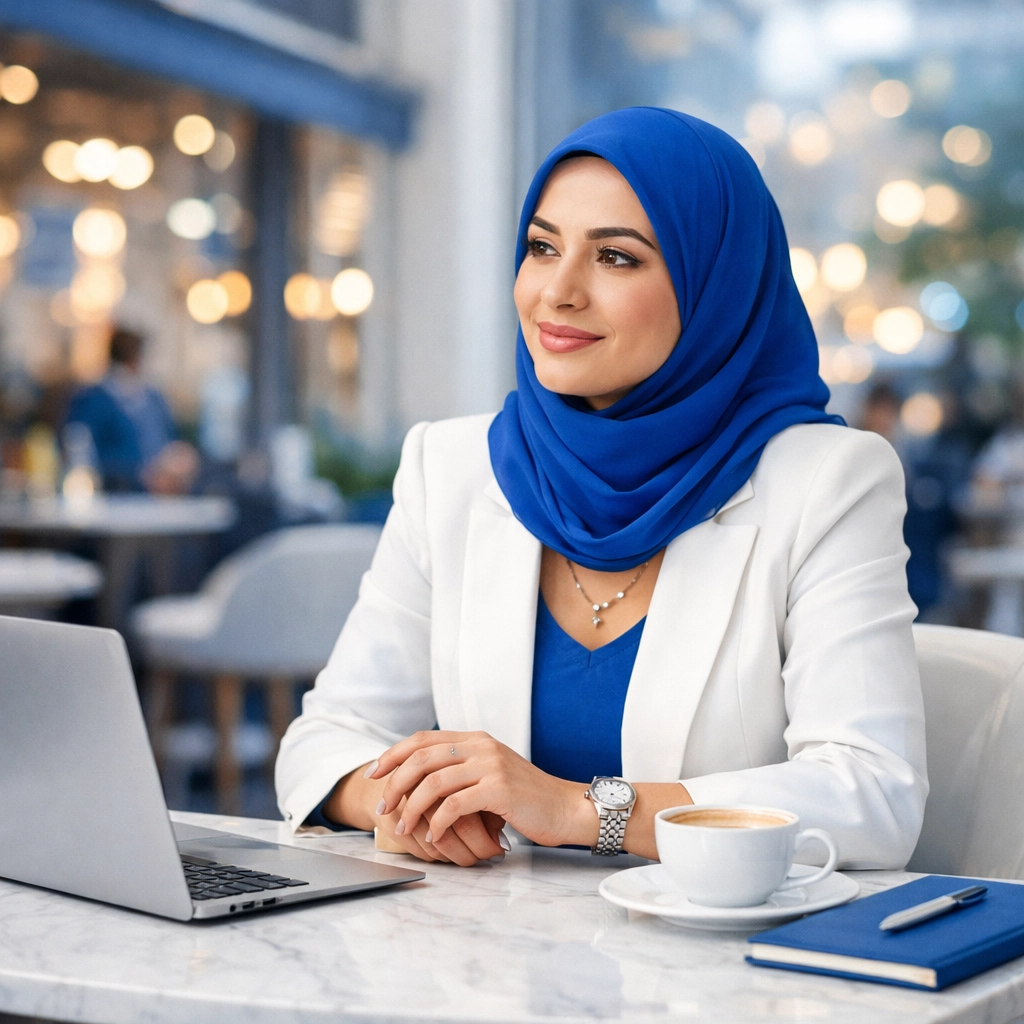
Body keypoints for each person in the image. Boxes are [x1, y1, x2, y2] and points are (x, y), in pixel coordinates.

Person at [276, 108, 927, 868]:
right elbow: (326, 739)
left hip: (724, 940)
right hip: (487, 936)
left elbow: (872, 793)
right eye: (541, 247)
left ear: (714, 287)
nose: (557, 291)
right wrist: (406, 804)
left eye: (615, 257)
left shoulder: (830, 482)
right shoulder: (451, 465)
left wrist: (578, 809)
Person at [64, 327, 197, 494]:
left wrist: (177, 462)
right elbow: (84, 453)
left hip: (166, 486)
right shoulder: (94, 400)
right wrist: (140, 474)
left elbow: (170, 439)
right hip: (121, 489)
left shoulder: (153, 397)